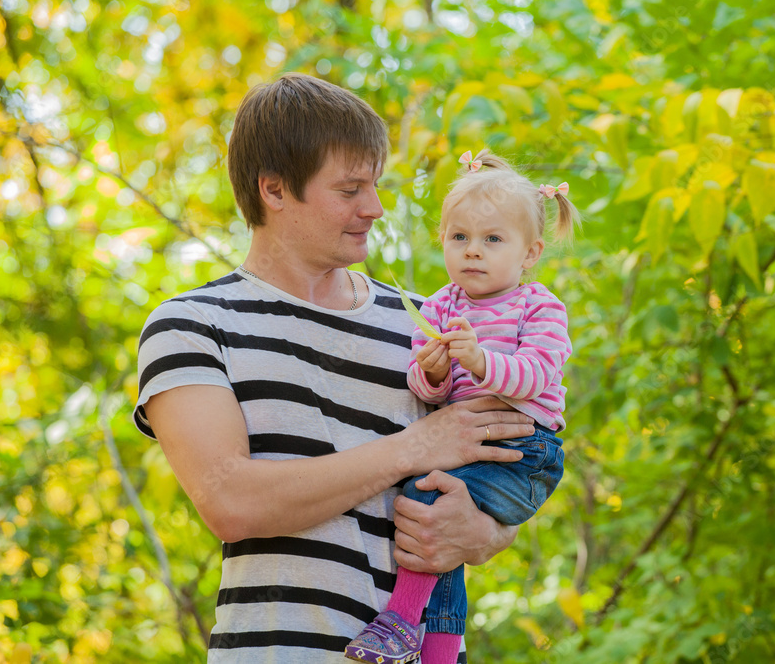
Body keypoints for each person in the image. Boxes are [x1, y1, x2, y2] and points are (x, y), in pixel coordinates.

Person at [132, 74, 535, 663]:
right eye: (350, 190)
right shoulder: (192, 325)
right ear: (273, 189)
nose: (374, 208)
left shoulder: (431, 323)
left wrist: (485, 533)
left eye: (374, 185)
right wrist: (414, 448)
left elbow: (506, 465)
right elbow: (232, 503)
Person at [345, 151, 580, 664]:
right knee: (438, 518)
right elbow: (430, 394)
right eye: (460, 237)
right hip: (464, 452)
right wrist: (431, 373)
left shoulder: (539, 306)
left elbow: (536, 374)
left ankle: (401, 620)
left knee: (427, 499)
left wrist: (479, 361)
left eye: (493, 239)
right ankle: (438, 652)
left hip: (525, 453)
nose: (473, 250)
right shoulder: (438, 306)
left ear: (530, 252)